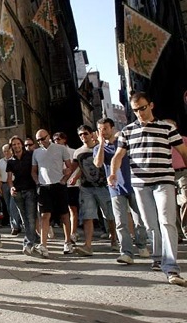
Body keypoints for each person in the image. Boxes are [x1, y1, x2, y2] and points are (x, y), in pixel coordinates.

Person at [109, 92, 187, 286]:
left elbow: (183, 152)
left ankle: (171, 267)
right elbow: (118, 155)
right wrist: (113, 173)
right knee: (151, 224)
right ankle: (158, 257)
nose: (139, 113)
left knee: (167, 221)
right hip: (140, 185)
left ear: (151, 105)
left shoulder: (167, 128)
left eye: (142, 108)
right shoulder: (127, 131)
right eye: (135, 110)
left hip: (164, 181)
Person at [93, 118, 149, 264]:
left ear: (112, 128)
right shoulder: (98, 148)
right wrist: (100, 144)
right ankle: (126, 253)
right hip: (115, 188)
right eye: (100, 129)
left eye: (105, 128)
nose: (103, 131)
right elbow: (98, 164)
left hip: (134, 185)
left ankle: (142, 245)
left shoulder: (123, 142)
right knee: (120, 222)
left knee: (140, 220)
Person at [69, 125, 116, 256]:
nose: (83, 137)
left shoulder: (100, 147)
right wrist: (67, 178)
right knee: (87, 216)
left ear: (91, 134)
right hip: (86, 187)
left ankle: (114, 239)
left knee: (110, 215)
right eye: (80, 135)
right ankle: (88, 245)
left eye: (85, 134)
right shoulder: (78, 152)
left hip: (103, 186)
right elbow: (77, 167)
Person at [31, 129, 73, 258]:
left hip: (58, 185)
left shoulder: (60, 149)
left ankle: (68, 242)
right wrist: (38, 182)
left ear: (48, 136)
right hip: (44, 187)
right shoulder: (36, 152)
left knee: (64, 215)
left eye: (42, 139)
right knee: (44, 215)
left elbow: (69, 167)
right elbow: (34, 170)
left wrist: (64, 180)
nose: (41, 142)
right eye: (38, 140)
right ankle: (43, 244)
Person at [6, 135, 38, 256]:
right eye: (14, 144)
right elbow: (9, 178)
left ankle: (29, 243)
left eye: (18, 143)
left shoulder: (30, 156)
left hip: (30, 189)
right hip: (17, 191)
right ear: (11, 147)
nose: (16, 146)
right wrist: (11, 188)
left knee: (30, 217)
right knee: (24, 219)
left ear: (21, 145)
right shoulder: (10, 161)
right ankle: (35, 237)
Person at [53, 132, 80, 243]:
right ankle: (67, 234)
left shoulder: (73, 152)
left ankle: (73, 232)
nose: (56, 141)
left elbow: (79, 167)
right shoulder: (54, 153)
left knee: (73, 209)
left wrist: (75, 178)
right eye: (54, 140)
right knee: (63, 210)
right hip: (60, 184)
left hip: (72, 184)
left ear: (64, 140)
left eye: (58, 139)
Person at [164, 119, 187, 243]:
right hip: (167, 174)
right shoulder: (161, 142)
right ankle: (177, 233)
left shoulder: (184, 140)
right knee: (170, 204)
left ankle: (186, 229)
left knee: (186, 200)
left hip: (183, 172)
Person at [0, 144, 22, 235]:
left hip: (14, 184)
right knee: (8, 207)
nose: (6, 152)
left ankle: (15, 227)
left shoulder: (15, 160)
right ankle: (16, 225)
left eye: (7, 150)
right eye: (4, 151)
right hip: (4, 185)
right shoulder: (0, 162)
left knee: (13, 206)